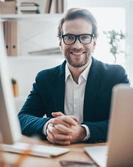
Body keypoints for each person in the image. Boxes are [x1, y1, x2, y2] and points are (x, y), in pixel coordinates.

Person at [18, 8, 129, 145]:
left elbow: (127, 122)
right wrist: (49, 126)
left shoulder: (115, 75)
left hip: (100, 155)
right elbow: (22, 118)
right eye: (69, 37)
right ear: (60, 43)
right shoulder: (45, 79)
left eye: (84, 37)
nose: (77, 45)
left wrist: (83, 132)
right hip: (57, 156)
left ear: (94, 43)